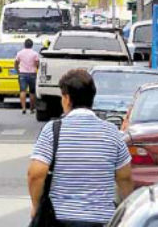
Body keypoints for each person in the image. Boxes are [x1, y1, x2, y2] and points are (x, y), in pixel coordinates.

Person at [27, 69, 134, 226]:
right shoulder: (112, 133)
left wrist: (36, 207)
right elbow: (124, 177)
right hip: (102, 220)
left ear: (67, 98)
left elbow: (35, 174)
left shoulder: (52, 130)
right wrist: (127, 211)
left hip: (60, 220)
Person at [15, 38, 39, 114]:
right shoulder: (35, 53)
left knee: (22, 91)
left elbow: (16, 62)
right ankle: (31, 108)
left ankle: (23, 108)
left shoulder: (20, 53)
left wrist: (18, 70)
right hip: (32, 74)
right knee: (32, 92)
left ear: (24, 44)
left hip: (22, 73)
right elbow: (37, 63)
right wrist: (36, 69)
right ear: (32, 45)